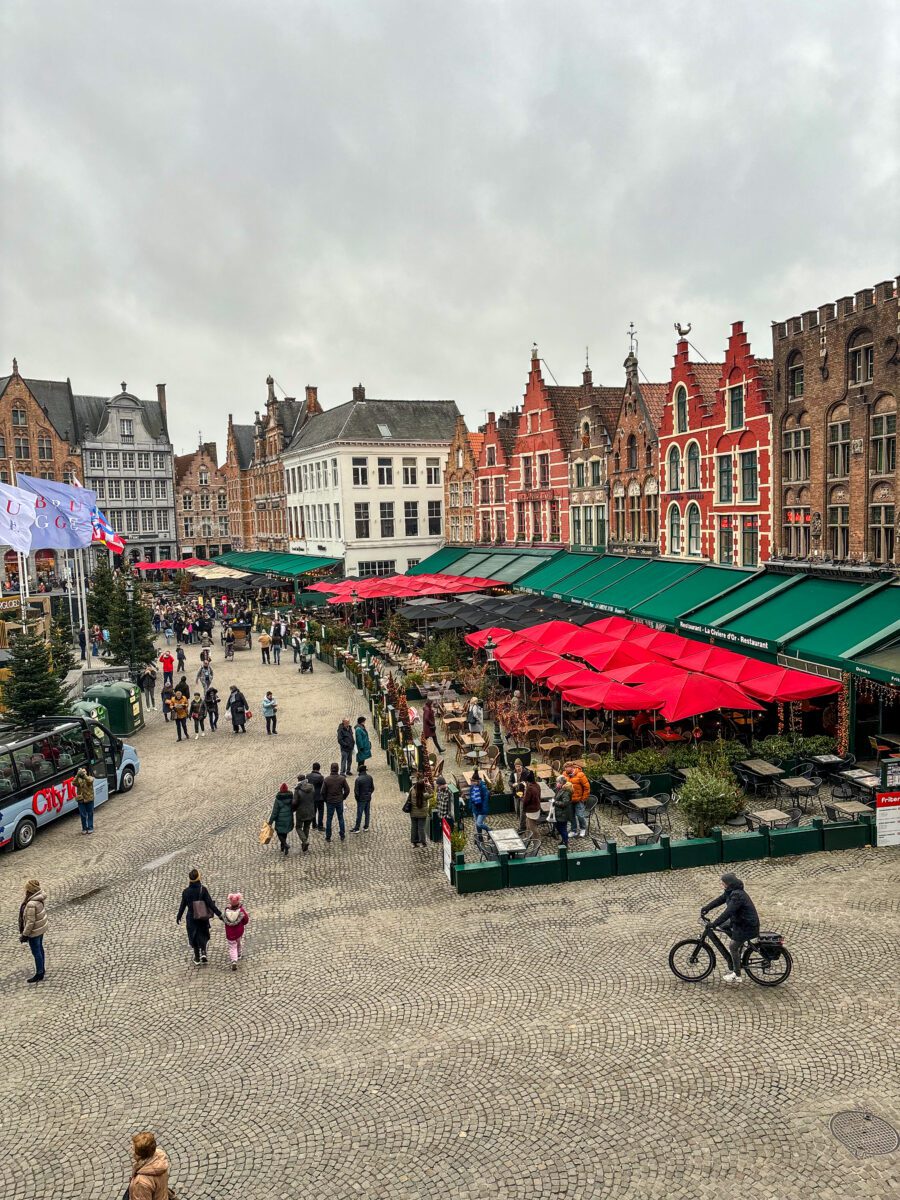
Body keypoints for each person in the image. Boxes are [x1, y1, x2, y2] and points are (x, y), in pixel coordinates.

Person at [701, 872, 760, 985]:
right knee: (723, 925)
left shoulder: (737, 896)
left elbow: (728, 912)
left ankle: (736, 974)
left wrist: (713, 923)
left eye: (723, 884)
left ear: (729, 884)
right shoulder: (731, 892)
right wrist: (707, 908)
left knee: (732, 946)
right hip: (740, 921)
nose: (722, 885)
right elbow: (720, 900)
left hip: (747, 926)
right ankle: (739, 944)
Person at [176, 868, 222, 965]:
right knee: (203, 934)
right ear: (199, 877)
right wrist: (219, 914)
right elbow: (210, 904)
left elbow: (182, 905)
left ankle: (197, 957)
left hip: (191, 917)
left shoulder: (186, 892)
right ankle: (204, 953)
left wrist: (179, 916)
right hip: (202, 916)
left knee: (193, 936)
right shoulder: (203, 889)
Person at [126, 1131, 170, 1200]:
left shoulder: (141, 1182)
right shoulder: (159, 1157)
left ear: (139, 1155)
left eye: (133, 1148)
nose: (130, 1149)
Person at [19, 879, 47, 983]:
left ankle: (39, 973)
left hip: (34, 931)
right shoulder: (39, 897)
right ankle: (42, 969)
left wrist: (25, 935)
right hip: (40, 929)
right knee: (40, 948)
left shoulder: (31, 903)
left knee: (36, 951)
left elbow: (30, 922)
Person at [321, 762, 349, 842]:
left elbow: (322, 792)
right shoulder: (342, 779)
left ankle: (328, 836)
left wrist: (326, 800)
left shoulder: (327, 779)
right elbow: (347, 790)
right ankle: (342, 834)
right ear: (338, 769)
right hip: (339, 801)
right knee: (341, 818)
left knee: (329, 819)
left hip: (330, 802)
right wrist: (343, 797)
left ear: (331, 769)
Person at [223, 893, 250, 972]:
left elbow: (223, 919)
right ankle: (239, 954)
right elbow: (246, 920)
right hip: (239, 932)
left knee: (232, 947)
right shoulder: (241, 911)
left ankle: (234, 960)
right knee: (238, 943)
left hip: (230, 934)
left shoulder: (226, 911)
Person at [566, 762, 591, 839]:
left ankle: (583, 829)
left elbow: (587, 787)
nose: (565, 770)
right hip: (569, 800)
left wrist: (583, 799)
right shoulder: (565, 774)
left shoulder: (580, 775)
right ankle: (573, 830)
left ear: (572, 767)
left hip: (579, 800)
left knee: (580, 815)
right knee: (571, 816)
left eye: (567, 768)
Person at [293, 773, 315, 852]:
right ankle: (304, 843)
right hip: (311, 810)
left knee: (298, 827)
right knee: (307, 827)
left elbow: (295, 802)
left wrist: (292, 809)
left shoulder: (297, 790)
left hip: (301, 811)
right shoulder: (312, 787)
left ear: (298, 780)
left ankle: (305, 841)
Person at [269, 783, 293, 853]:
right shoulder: (290, 797)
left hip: (280, 819)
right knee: (285, 832)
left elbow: (275, 812)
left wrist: (270, 821)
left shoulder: (278, 799)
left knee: (279, 832)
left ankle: (285, 845)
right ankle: (283, 847)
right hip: (288, 818)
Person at [351, 762, 375, 832]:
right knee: (367, 813)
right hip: (368, 798)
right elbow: (372, 788)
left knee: (359, 814)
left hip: (361, 799)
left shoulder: (358, 779)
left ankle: (357, 828)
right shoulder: (370, 777)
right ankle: (366, 826)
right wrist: (369, 793)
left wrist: (357, 799)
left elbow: (356, 792)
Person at [407, 776, 430, 847]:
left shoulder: (412, 790)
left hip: (413, 813)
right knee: (421, 828)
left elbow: (408, 799)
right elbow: (432, 794)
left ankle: (414, 842)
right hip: (422, 814)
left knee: (414, 827)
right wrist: (428, 786)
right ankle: (423, 842)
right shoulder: (424, 794)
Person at [467, 770, 490, 841]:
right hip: (475, 809)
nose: (472, 782)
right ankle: (480, 838)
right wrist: (470, 806)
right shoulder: (472, 787)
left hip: (482, 810)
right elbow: (471, 797)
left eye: (473, 781)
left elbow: (485, 800)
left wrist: (483, 810)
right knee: (477, 825)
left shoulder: (483, 788)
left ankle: (489, 830)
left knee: (479, 823)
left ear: (477, 781)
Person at [552, 774, 573, 847]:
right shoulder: (560, 789)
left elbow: (565, 803)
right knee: (558, 826)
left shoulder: (566, 791)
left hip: (563, 814)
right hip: (559, 812)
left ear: (561, 783)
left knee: (562, 828)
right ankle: (564, 840)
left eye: (557, 782)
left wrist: (555, 802)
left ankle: (565, 842)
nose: (556, 783)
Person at [522, 774, 544, 840]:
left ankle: (536, 841)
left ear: (528, 781)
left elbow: (526, 800)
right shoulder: (537, 785)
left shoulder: (529, 788)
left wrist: (522, 797)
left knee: (532, 826)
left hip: (531, 810)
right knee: (527, 823)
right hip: (537, 808)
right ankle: (527, 837)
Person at [74, 765, 95, 834]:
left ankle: (90, 827)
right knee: (83, 815)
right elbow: (73, 783)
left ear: (86, 772)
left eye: (84, 771)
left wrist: (84, 775)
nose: (82, 773)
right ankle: (84, 828)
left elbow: (89, 781)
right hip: (81, 800)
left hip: (89, 799)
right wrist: (77, 775)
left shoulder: (90, 778)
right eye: (81, 772)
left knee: (90, 814)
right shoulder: (78, 780)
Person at [509, 758, 528, 833]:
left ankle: (522, 827)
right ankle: (523, 822)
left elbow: (530, 782)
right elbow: (510, 781)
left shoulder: (526, 773)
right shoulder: (513, 773)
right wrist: (512, 784)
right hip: (516, 794)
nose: (518, 768)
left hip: (523, 794)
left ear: (521, 766)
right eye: (516, 766)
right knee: (517, 810)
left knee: (522, 810)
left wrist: (525, 785)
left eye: (519, 766)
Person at [308, 761, 325, 830]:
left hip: (311, 797)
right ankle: (320, 826)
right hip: (319, 797)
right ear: (319, 768)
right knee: (320, 811)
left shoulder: (308, 776)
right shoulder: (320, 777)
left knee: (313, 811)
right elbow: (323, 787)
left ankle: (314, 825)